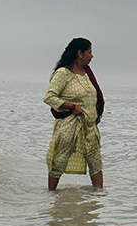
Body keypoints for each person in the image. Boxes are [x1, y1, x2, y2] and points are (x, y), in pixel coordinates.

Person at [43, 38, 104, 190]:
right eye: (89, 52)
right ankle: (52, 198)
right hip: (69, 127)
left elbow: (95, 97)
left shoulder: (87, 73)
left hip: (89, 128)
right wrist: (72, 107)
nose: (92, 56)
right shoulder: (64, 73)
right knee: (59, 161)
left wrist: (96, 114)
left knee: (96, 162)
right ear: (80, 53)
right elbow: (49, 97)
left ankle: (98, 199)